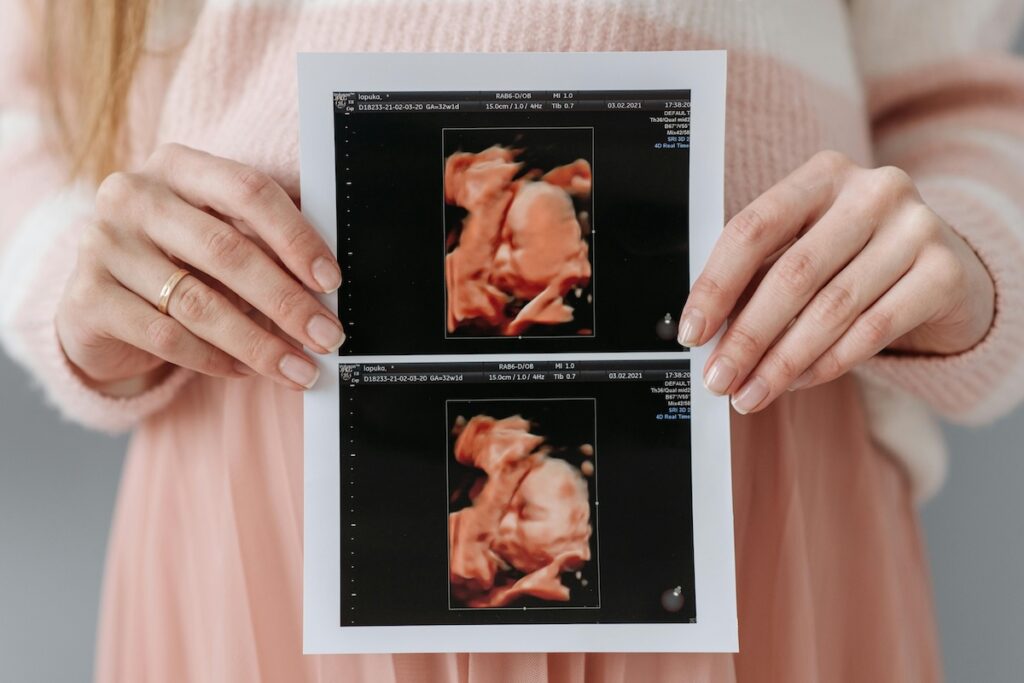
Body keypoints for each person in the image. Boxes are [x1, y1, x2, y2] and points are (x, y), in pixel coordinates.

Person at [2, 0, 1023, 681]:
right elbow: (27, 99)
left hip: (761, 431)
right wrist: (74, 269)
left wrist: (960, 252)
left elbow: (957, 91)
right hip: (270, 451)